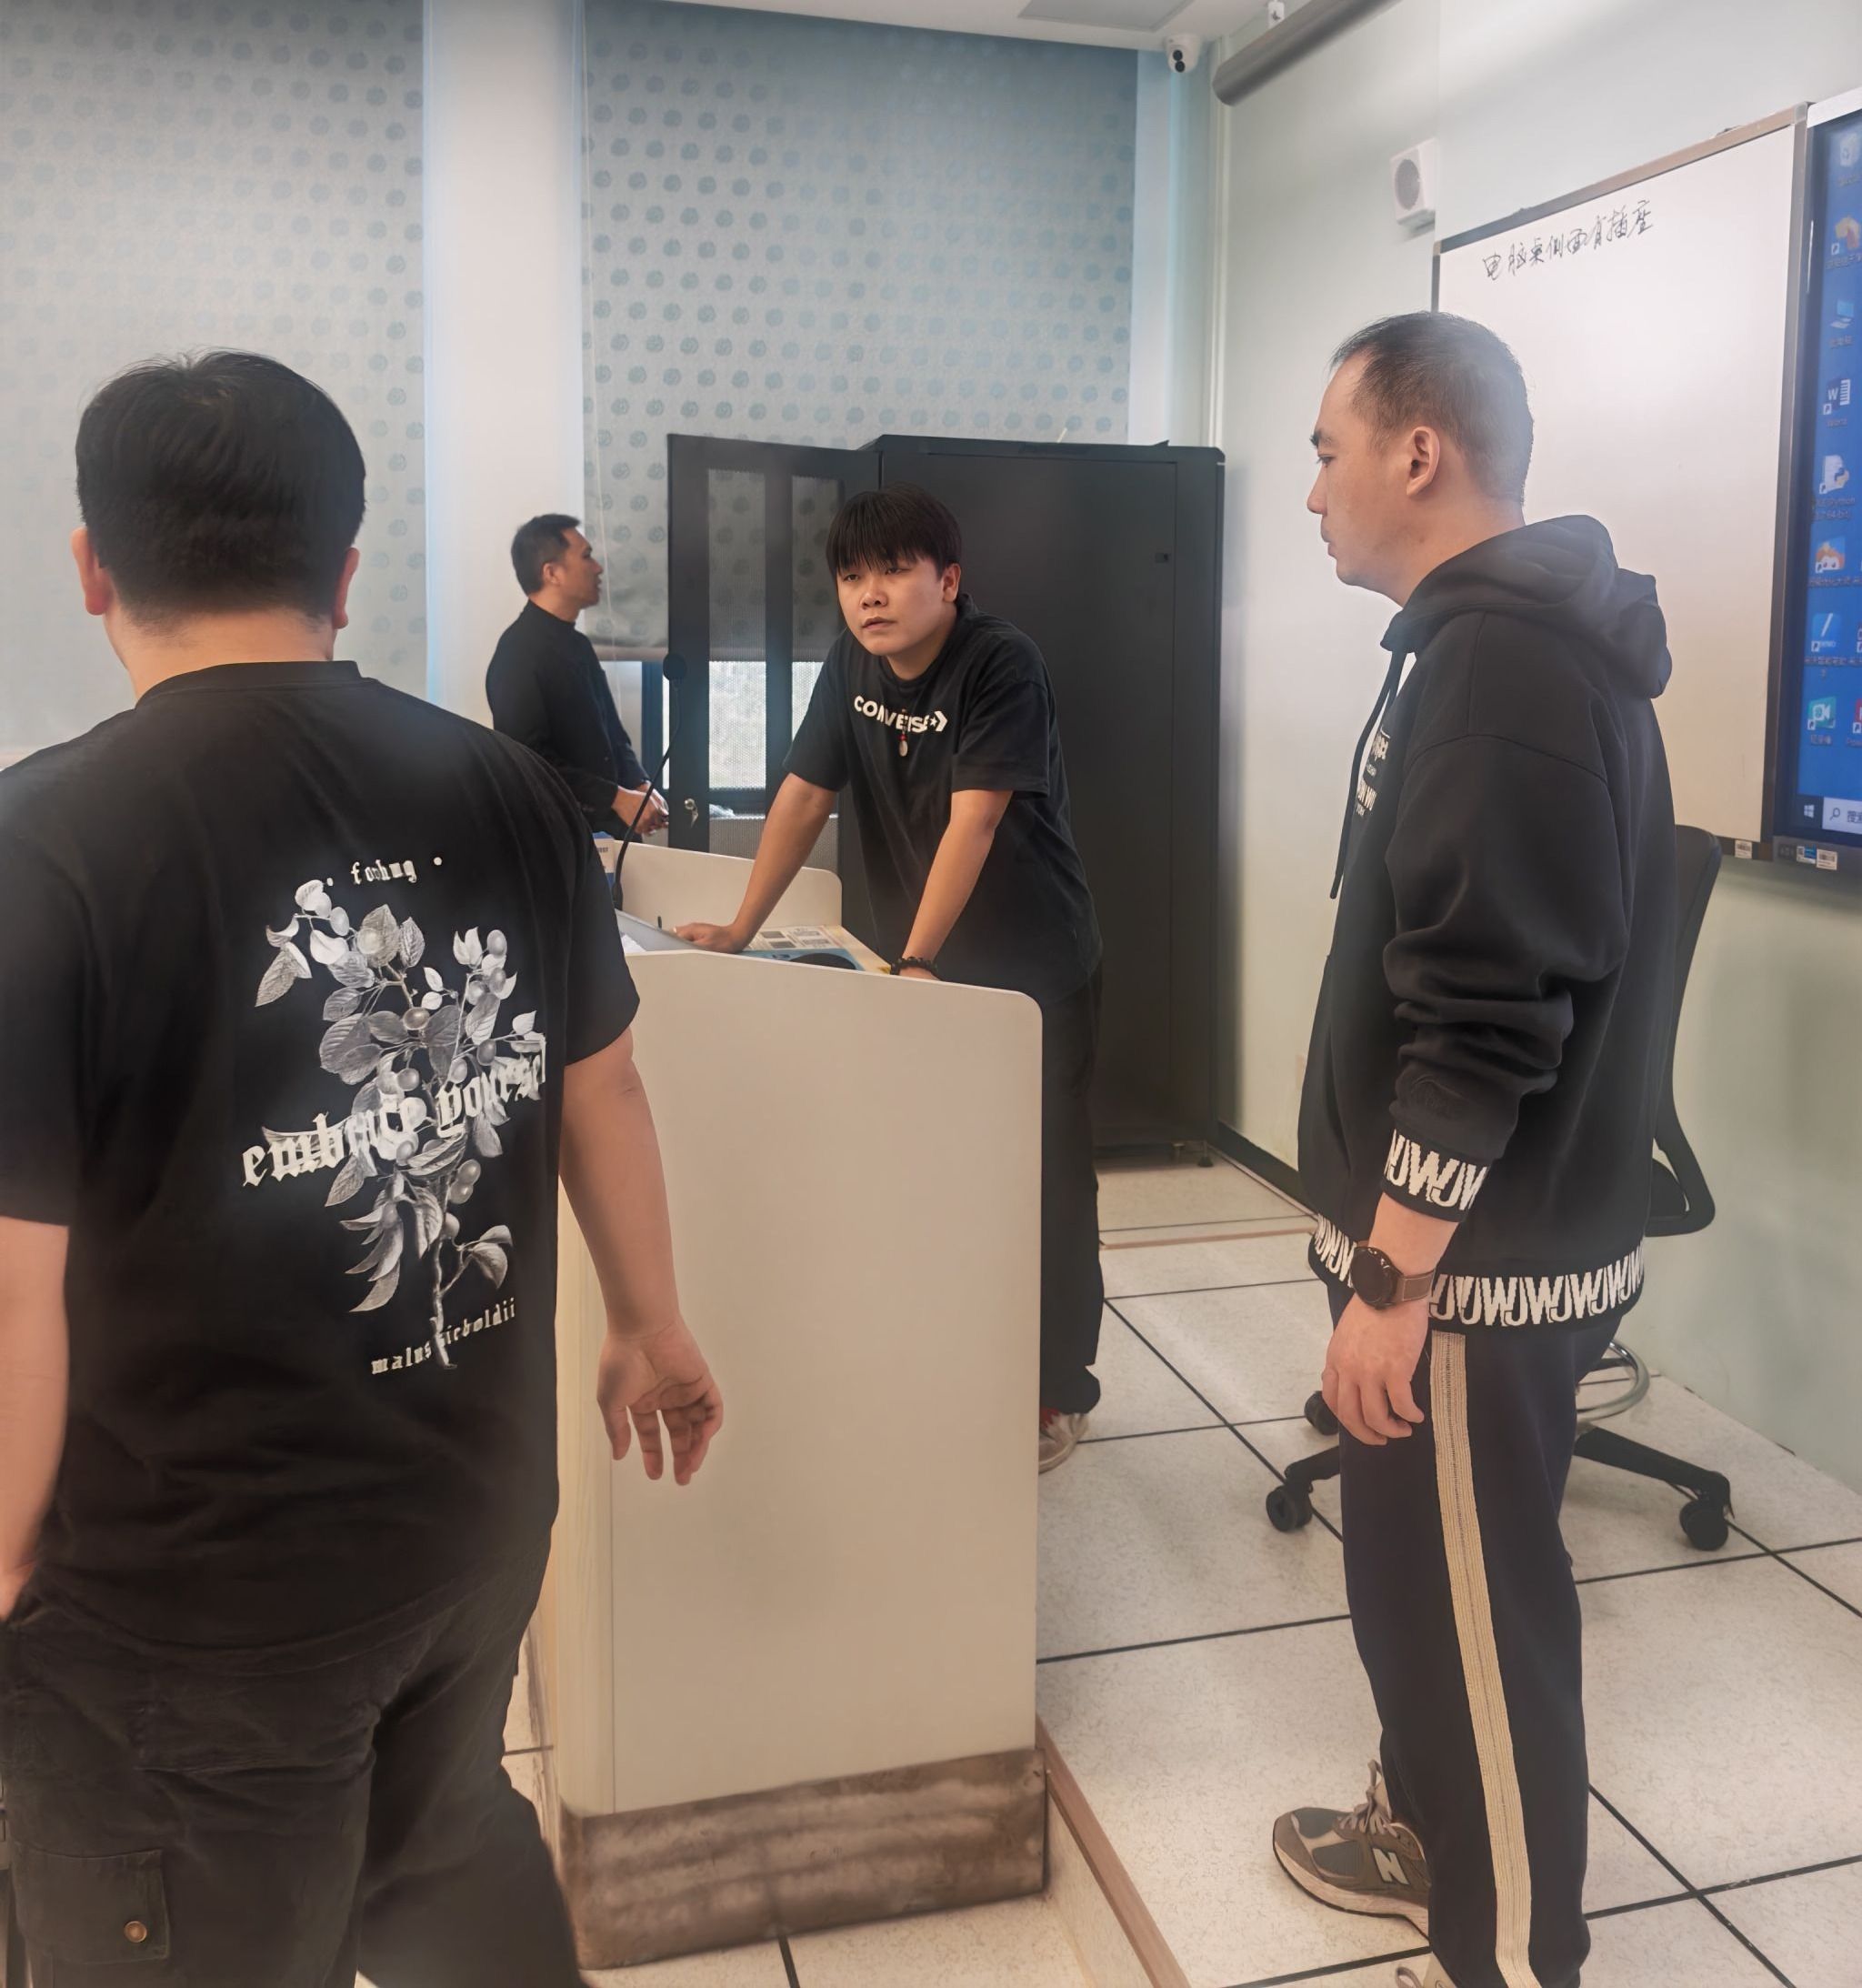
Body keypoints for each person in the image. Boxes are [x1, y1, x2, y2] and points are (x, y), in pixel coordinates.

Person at [0, 353, 724, 1988]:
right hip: (473, 1516)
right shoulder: (504, 790)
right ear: (342, 570)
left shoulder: (41, 848)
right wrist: (648, 1318)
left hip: (193, 1597)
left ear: (93, 568)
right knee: (435, 1842)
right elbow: (601, 1087)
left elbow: (8, 1289)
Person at [1270, 314, 1677, 1988]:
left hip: (1467, 1275)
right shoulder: (1471, 645)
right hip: (1463, 1256)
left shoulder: (1504, 670)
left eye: (1326, 451)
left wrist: (1391, 1278)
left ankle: (1510, 1953)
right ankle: (1421, 1829)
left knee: (1473, 1627)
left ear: (1417, 451)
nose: (1312, 491)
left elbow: (1484, 1021)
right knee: (1412, 1596)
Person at [676, 486, 1105, 1471]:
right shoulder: (850, 664)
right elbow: (802, 795)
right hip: (917, 965)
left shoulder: (1000, 663)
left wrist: (916, 958)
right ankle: (955, 1353)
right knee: (934, 1170)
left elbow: (975, 820)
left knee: (1042, 1179)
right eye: (851, 575)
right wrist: (740, 928)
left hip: (1030, 967)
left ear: (947, 580)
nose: (868, 594)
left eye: (893, 571)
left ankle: (1059, 1389)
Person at [486, 513, 669, 843]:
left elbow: (613, 736)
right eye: (586, 556)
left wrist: (639, 784)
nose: (598, 568)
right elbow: (530, 763)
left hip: (611, 836)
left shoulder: (579, 645)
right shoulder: (516, 654)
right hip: (559, 839)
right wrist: (616, 798)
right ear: (552, 573)